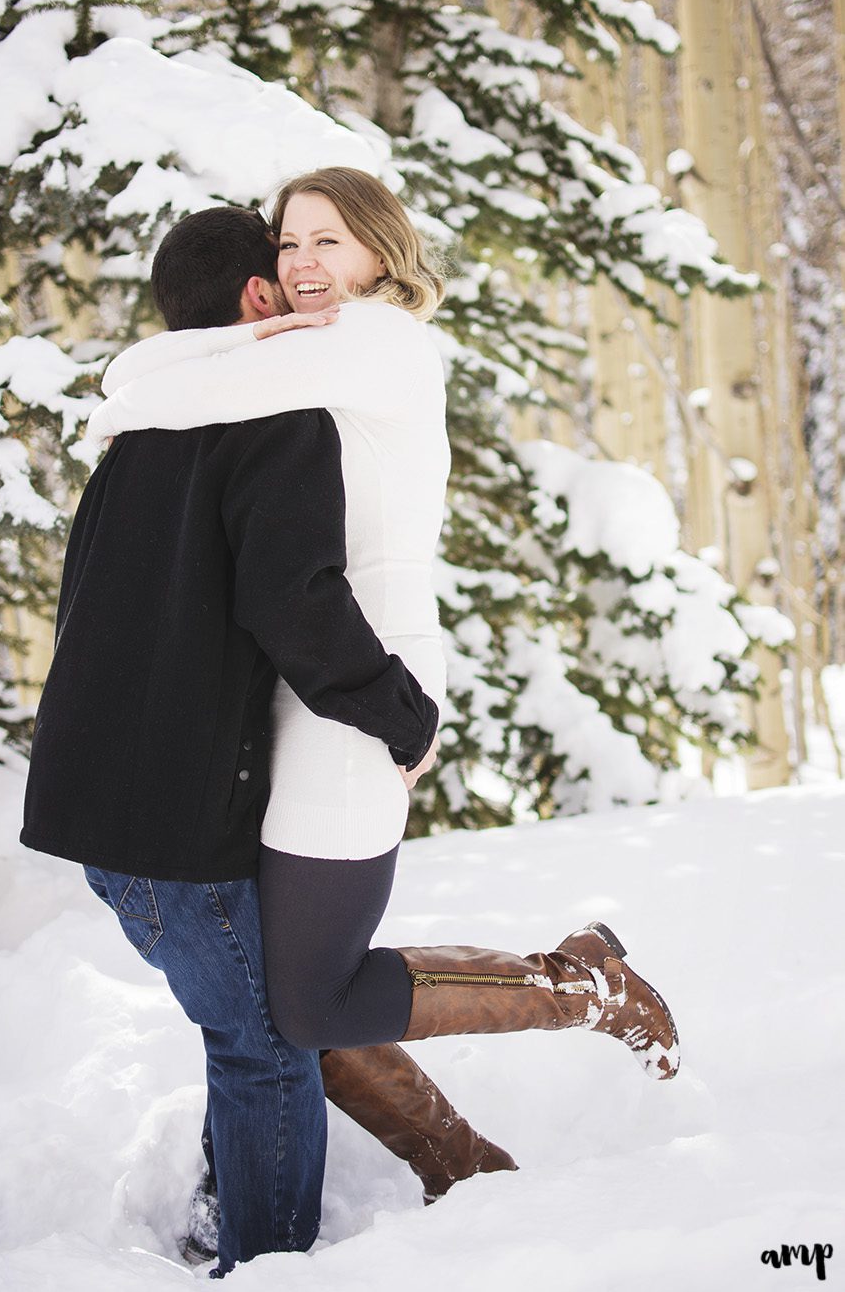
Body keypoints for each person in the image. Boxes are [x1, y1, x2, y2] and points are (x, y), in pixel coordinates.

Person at [92, 168, 680, 1108]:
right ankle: (454, 1158)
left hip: (362, 667)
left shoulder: (380, 337)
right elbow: (147, 385)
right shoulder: (313, 347)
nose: (304, 261)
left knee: (310, 998)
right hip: (304, 672)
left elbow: (135, 389)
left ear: (378, 250)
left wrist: (172, 363)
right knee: (287, 983)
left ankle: (584, 989)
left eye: (328, 239)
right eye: (288, 243)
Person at [20, 204, 514, 1279]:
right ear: (256, 300)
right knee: (269, 1045)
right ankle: (265, 1263)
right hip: (170, 825)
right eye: (284, 265)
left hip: (96, 809)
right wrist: (400, 712)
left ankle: (223, 1207)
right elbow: (293, 602)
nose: (300, 283)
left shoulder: (143, 429)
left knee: (245, 1026)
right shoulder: (275, 422)